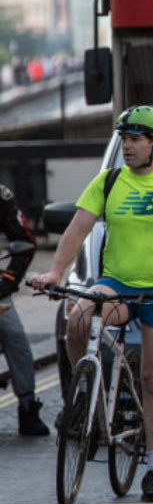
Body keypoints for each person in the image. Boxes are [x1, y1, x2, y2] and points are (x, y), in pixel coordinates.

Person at [29, 106, 153, 503]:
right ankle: (85, 398)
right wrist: (55, 273)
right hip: (118, 285)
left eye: (135, 139)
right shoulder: (109, 181)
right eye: (124, 139)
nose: (127, 146)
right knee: (78, 318)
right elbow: (78, 227)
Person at [0, 182, 48, 436]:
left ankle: (28, 406)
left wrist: (8, 280)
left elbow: (24, 239)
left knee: (14, 334)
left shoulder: (1, 196)